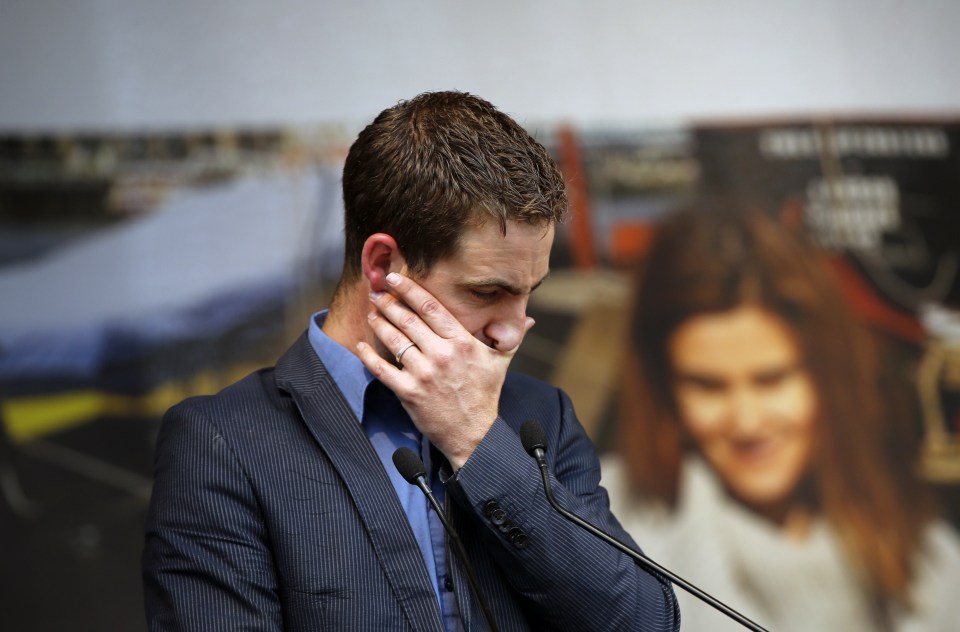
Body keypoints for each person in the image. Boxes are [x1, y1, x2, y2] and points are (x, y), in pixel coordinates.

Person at [142, 91, 680, 631]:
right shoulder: (223, 442)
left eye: (529, 292)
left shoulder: (539, 416)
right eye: (487, 292)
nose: (514, 330)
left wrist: (479, 444)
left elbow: (644, 621)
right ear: (381, 265)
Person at [601, 205, 960, 631]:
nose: (747, 422)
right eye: (707, 385)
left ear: (828, 376)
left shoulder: (926, 556)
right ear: (664, 388)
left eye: (773, 380)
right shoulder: (600, 526)